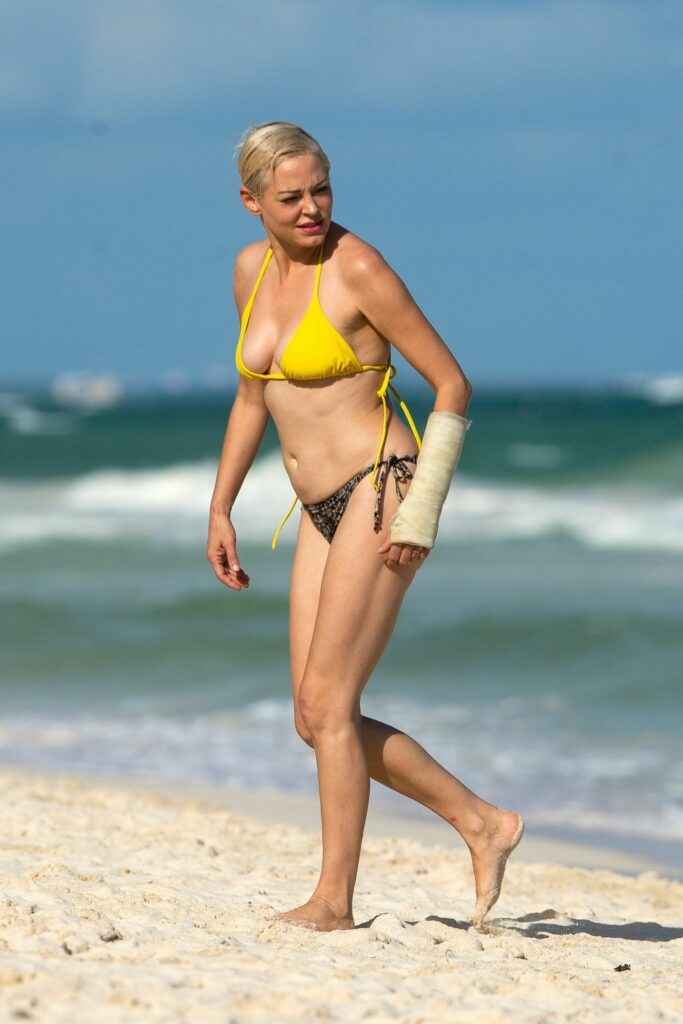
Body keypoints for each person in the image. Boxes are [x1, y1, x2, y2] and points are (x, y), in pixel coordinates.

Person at [207, 121, 524, 933]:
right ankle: (482, 821)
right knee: (312, 719)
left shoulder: (358, 268)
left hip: (384, 487)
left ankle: (333, 902)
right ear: (251, 202)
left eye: (321, 190)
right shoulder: (249, 271)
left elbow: (451, 384)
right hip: (315, 508)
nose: (311, 208)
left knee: (330, 701)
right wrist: (221, 506)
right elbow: (251, 396)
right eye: (291, 197)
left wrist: (423, 508)